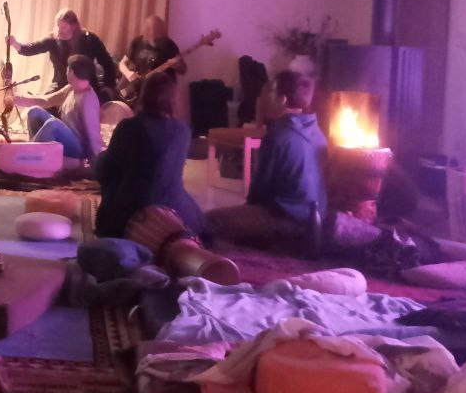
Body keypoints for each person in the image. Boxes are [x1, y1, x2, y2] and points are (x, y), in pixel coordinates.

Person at [204, 71, 327, 251]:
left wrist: (247, 214)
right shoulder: (319, 133)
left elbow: (259, 190)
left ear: (282, 100)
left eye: (270, 92)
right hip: (316, 218)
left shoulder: (278, 136)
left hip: (286, 219)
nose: (264, 99)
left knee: (210, 220)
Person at [96, 70, 203, 238]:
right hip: (173, 209)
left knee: (105, 162)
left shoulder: (128, 127)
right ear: (173, 99)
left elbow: (106, 170)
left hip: (131, 213)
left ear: (144, 95)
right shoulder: (183, 131)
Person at [10, 9, 118, 101]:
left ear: (74, 26)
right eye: (58, 26)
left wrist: (109, 85)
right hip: (60, 86)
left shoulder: (89, 39)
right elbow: (33, 48)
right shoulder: (53, 40)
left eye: (64, 27)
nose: (59, 31)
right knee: (44, 108)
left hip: (87, 87)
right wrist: (15, 44)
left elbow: (107, 62)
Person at [14, 54, 103, 163]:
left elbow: (93, 132)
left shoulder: (88, 99)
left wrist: (96, 160)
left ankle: (27, 157)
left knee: (53, 124)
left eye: (67, 69)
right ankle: (35, 148)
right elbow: (46, 101)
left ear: (71, 72)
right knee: (34, 111)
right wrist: (17, 99)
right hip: (66, 136)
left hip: (79, 148)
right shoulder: (71, 89)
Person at [117, 15, 184, 101]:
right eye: (151, 32)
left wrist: (177, 65)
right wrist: (128, 73)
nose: (154, 37)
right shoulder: (137, 42)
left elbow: (183, 70)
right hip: (139, 92)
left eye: (157, 34)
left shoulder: (170, 45)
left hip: (161, 94)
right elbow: (122, 64)